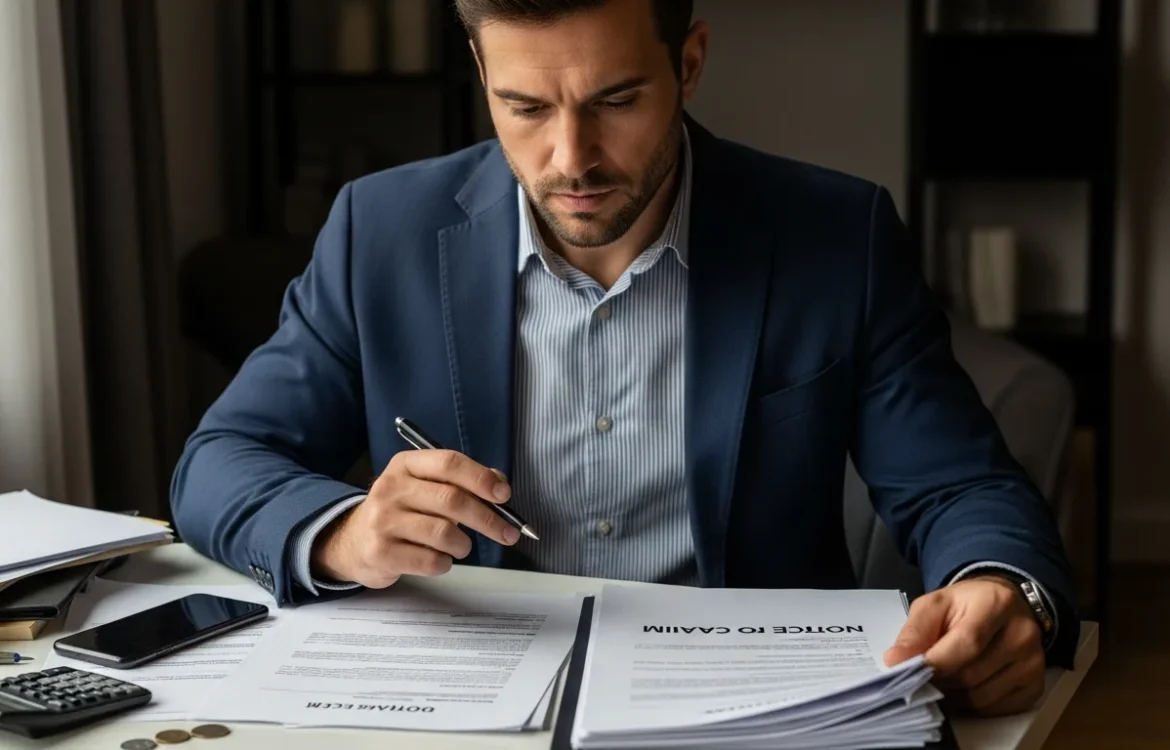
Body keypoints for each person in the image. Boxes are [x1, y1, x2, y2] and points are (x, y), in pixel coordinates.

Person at [171, 0, 1079, 718]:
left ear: (688, 62)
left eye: (615, 100)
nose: (571, 159)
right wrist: (341, 533)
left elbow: (962, 487)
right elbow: (220, 462)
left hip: (754, 712)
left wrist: (1003, 590)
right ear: (481, 70)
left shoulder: (839, 238)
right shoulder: (382, 231)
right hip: (468, 708)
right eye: (524, 107)